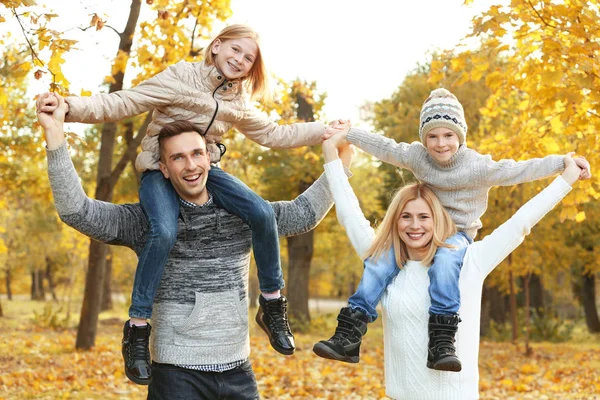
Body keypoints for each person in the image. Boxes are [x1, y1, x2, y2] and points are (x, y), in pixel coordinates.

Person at [36, 24, 336, 384]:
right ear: (216, 46)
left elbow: (275, 134)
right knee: (163, 229)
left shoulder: (237, 101)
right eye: (235, 50)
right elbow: (122, 101)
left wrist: (325, 132)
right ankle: (137, 328)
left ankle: (272, 303)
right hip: (158, 173)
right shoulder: (181, 76)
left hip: (211, 169)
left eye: (249, 58)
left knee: (259, 213)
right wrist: (68, 108)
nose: (239, 60)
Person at [314, 88, 591, 370]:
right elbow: (387, 147)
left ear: (460, 135)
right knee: (380, 258)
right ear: (424, 139)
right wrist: (350, 133)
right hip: (424, 228)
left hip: (457, 234)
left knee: (446, 261)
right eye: (432, 136)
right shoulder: (417, 157)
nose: (440, 144)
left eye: (448, 135)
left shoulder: (477, 166)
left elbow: (518, 170)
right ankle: (349, 332)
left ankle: (442, 340)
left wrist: (561, 163)